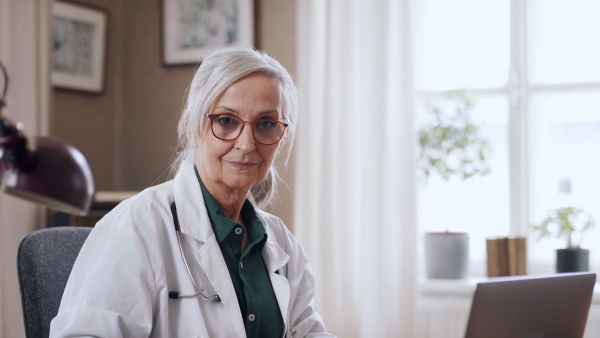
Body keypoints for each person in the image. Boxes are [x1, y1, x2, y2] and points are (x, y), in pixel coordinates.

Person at [50, 48, 334, 338]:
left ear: (281, 137)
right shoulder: (136, 226)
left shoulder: (281, 241)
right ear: (191, 129)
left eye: (266, 124)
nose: (247, 144)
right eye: (226, 120)